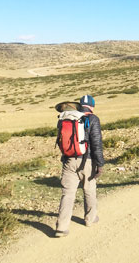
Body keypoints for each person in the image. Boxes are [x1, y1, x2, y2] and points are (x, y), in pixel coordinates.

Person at [55, 95, 104, 238]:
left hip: (69, 161)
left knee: (67, 193)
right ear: (92, 106)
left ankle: (61, 228)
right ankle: (90, 218)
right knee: (89, 189)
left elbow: (60, 141)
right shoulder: (93, 119)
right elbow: (96, 144)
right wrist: (100, 164)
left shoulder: (66, 118)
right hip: (87, 161)